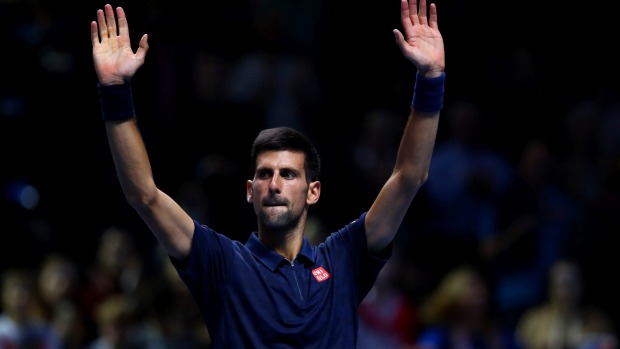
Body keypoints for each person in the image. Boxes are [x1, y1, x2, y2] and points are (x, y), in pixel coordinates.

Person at [89, 0, 445, 347]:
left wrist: (430, 78)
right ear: (249, 190)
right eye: (264, 175)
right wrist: (115, 91)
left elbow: (409, 176)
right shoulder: (221, 262)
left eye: (288, 175)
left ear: (313, 191)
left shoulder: (344, 259)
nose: (274, 184)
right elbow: (143, 194)